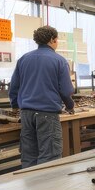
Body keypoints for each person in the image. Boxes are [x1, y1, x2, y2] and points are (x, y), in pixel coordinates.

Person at [9, 26, 74, 168]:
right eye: (56, 39)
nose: (57, 42)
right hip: (47, 115)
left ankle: (30, 188)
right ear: (52, 40)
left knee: (29, 156)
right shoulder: (59, 60)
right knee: (49, 156)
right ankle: (46, 189)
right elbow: (66, 91)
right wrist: (70, 106)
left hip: (26, 114)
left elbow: (13, 87)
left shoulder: (23, 59)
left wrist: (15, 106)